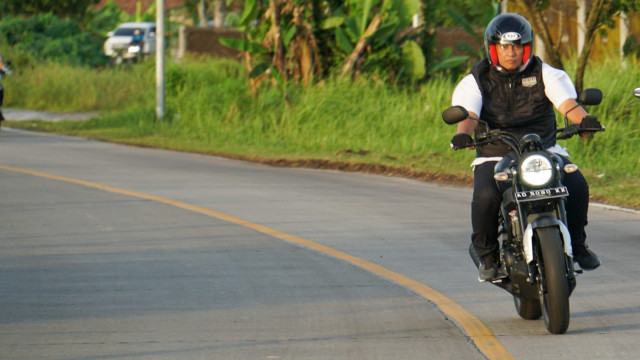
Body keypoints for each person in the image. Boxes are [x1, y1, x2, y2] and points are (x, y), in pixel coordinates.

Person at [449, 13, 602, 281]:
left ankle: (577, 244)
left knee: (577, 184)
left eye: (517, 46)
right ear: (493, 49)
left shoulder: (545, 73)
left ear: (527, 48)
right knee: (486, 195)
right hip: (494, 153)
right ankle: (486, 252)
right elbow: (469, 115)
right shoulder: (476, 79)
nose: (511, 53)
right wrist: (463, 135)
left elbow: (567, 104)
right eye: (505, 47)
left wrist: (584, 119)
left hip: (543, 150)